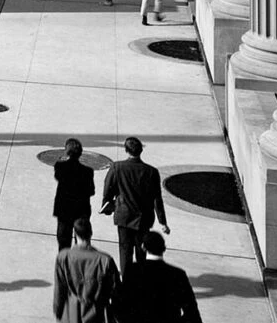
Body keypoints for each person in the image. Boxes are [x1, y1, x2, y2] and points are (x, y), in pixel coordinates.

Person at [102, 136, 169, 278]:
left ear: (126, 150)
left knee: (125, 251)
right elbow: (157, 198)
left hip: (124, 217)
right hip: (143, 219)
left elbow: (108, 188)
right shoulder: (151, 172)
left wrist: (106, 205)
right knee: (142, 253)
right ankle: (141, 282)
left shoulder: (117, 167)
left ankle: (126, 280)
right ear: (141, 151)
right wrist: (162, 221)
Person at [117, 231, 204, 322]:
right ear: (164, 248)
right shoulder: (178, 274)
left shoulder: (132, 270)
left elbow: (119, 304)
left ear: (143, 247)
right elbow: (192, 312)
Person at [53, 217, 120, 323]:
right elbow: (115, 289)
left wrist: (58, 310)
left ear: (75, 234)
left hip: (71, 312)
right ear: (91, 233)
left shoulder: (63, 257)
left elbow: (59, 288)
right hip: (96, 313)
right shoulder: (105, 260)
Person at [52, 139, 96, 250]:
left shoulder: (60, 166)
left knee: (63, 243)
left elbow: (57, 176)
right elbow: (91, 191)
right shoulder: (88, 171)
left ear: (67, 151)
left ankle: (64, 260)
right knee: (82, 242)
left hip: (64, 210)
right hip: (81, 210)